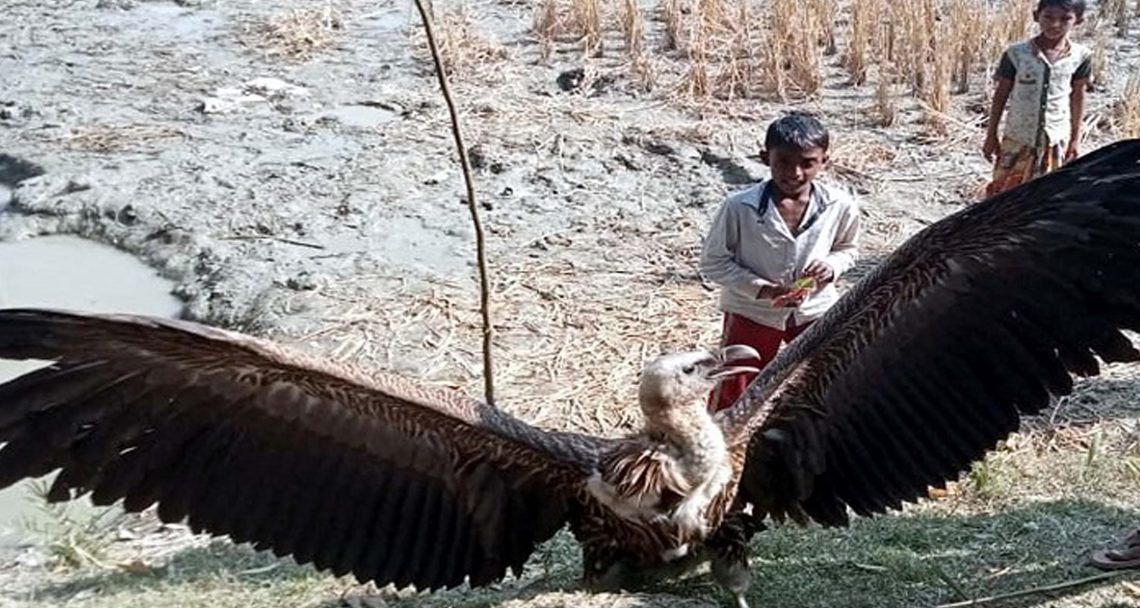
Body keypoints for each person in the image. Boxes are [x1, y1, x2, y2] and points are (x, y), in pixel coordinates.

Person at [699, 113, 860, 413]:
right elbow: (713, 262)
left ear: (824, 162)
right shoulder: (740, 207)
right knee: (735, 387)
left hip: (814, 310)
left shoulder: (840, 205)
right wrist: (762, 289)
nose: (794, 172)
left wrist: (831, 266)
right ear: (765, 158)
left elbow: (848, 249)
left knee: (823, 378)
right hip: (752, 312)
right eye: (783, 162)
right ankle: (720, 438)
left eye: (807, 163)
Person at [982, 0, 1092, 197]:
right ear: (1036, 16)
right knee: (1004, 194)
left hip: (1055, 138)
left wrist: (1075, 139)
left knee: (1047, 195)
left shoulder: (1081, 56)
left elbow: (1078, 96)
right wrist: (991, 135)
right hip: (1018, 137)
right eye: (1048, 17)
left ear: (1078, 21)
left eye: (1065, 19)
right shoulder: (1016, 54)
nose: (1055, 24)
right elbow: (1000, 95)